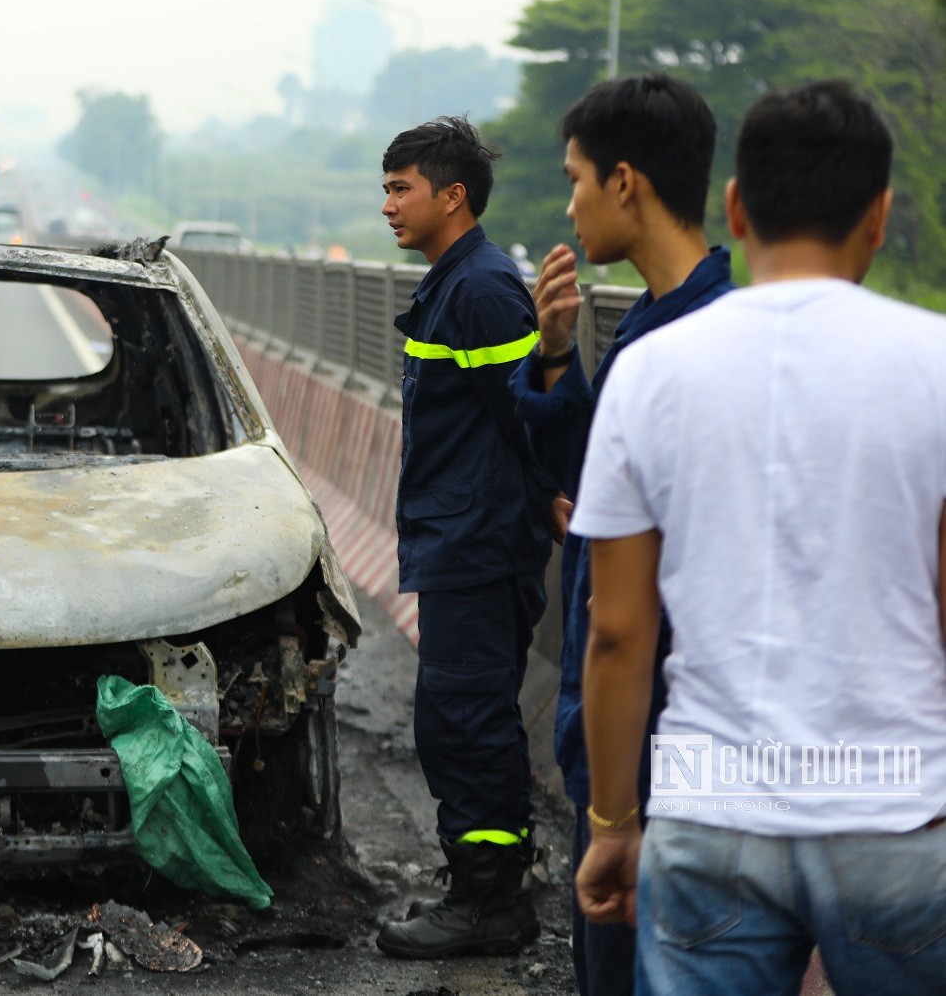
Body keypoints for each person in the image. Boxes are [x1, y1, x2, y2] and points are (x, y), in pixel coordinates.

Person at [574, 81, 946, 994]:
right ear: (879, 217)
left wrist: (615, 823)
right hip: (894, 806)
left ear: (736, 208)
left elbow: (618, 632)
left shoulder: (651, 370)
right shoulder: (933, 363)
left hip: (710, 807)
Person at [508, 74, 732, 996]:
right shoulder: (649, 324)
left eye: (576, 180)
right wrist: (556, 351)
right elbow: (593, 479)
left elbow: (626, 621)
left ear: (626, 181)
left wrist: (612, 817)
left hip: (664, 758)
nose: (569, 204)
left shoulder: (705, 341)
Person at [375, 117, 565, 959]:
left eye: (400, 187)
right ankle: (476, 888)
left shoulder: (484, 288)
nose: (387, 205)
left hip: (481, 542)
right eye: (386, 188)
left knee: (471, 720)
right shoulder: (454, 281)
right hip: (457, 535)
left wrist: (552, 492)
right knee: (452, 720)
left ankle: (493, 906)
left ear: (452, 196)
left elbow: (524, 418)